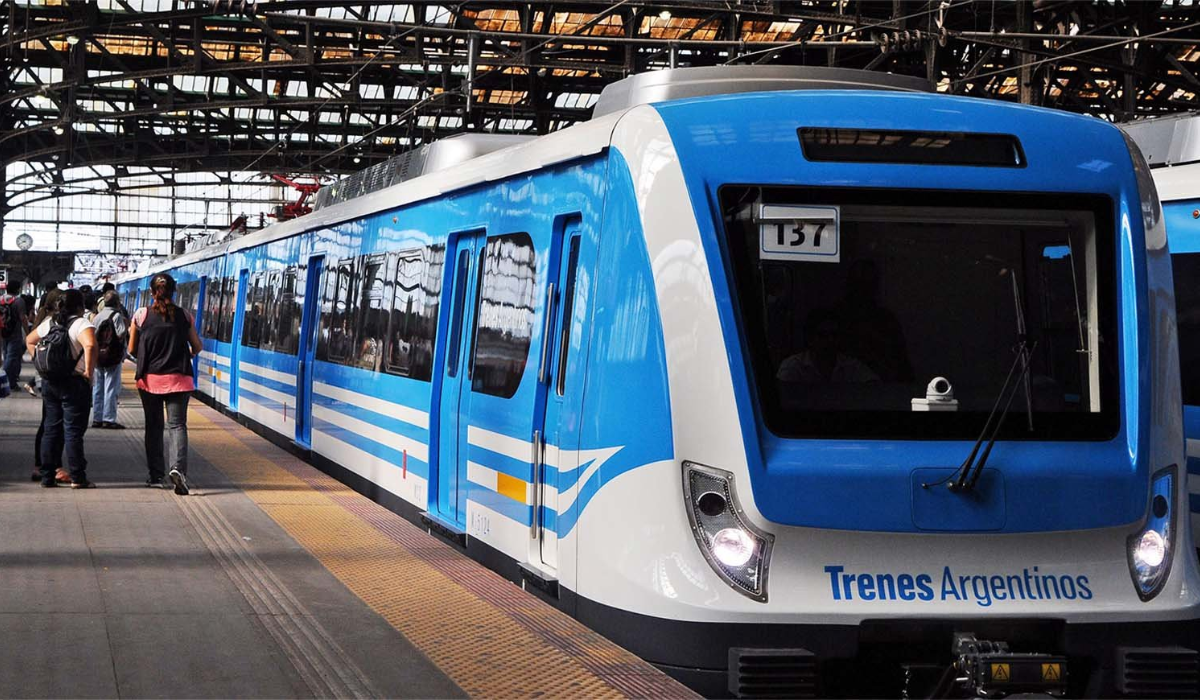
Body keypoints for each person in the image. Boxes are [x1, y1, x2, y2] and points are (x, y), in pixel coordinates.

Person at [128, 273, 201, 494]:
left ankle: (155, 476)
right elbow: (197, 346)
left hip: (150, 381)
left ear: (152, 292)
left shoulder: (141, 315)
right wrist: (187, 353)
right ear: (174, 291)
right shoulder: (185, 316)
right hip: (179, 380)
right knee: (177, 426)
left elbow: (131, 349)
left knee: (154, 426)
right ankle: (178, 469)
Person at [26, 289, 97, 489]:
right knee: (73, 432)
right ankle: (78, 477)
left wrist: (40, 363)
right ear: (80, 306)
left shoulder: (50, 323)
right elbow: (90, 345)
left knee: (51, 430)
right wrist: (88, 372)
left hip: (50, 383)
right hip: (74, 383)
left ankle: (47, 477)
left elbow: (29, 340)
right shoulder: (82, 324)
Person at [90, 290, 130, 429]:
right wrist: (126, 325)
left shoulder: (97, 317)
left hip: (98, 357)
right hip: (112, 356)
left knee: (97, 387)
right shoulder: (117, 316)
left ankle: (97, 418)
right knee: (111, 387)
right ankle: (109, 419)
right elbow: (121, 334)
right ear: (117, 302)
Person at [0, 285, 28, 391]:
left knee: (7, 355)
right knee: (12, 357)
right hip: (15, 333)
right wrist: (27, 332)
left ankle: (11, 382)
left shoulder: (1, 299)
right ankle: (4, 380)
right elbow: (22, 318)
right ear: (17, 289)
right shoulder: (18, 301)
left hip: (2, 331)